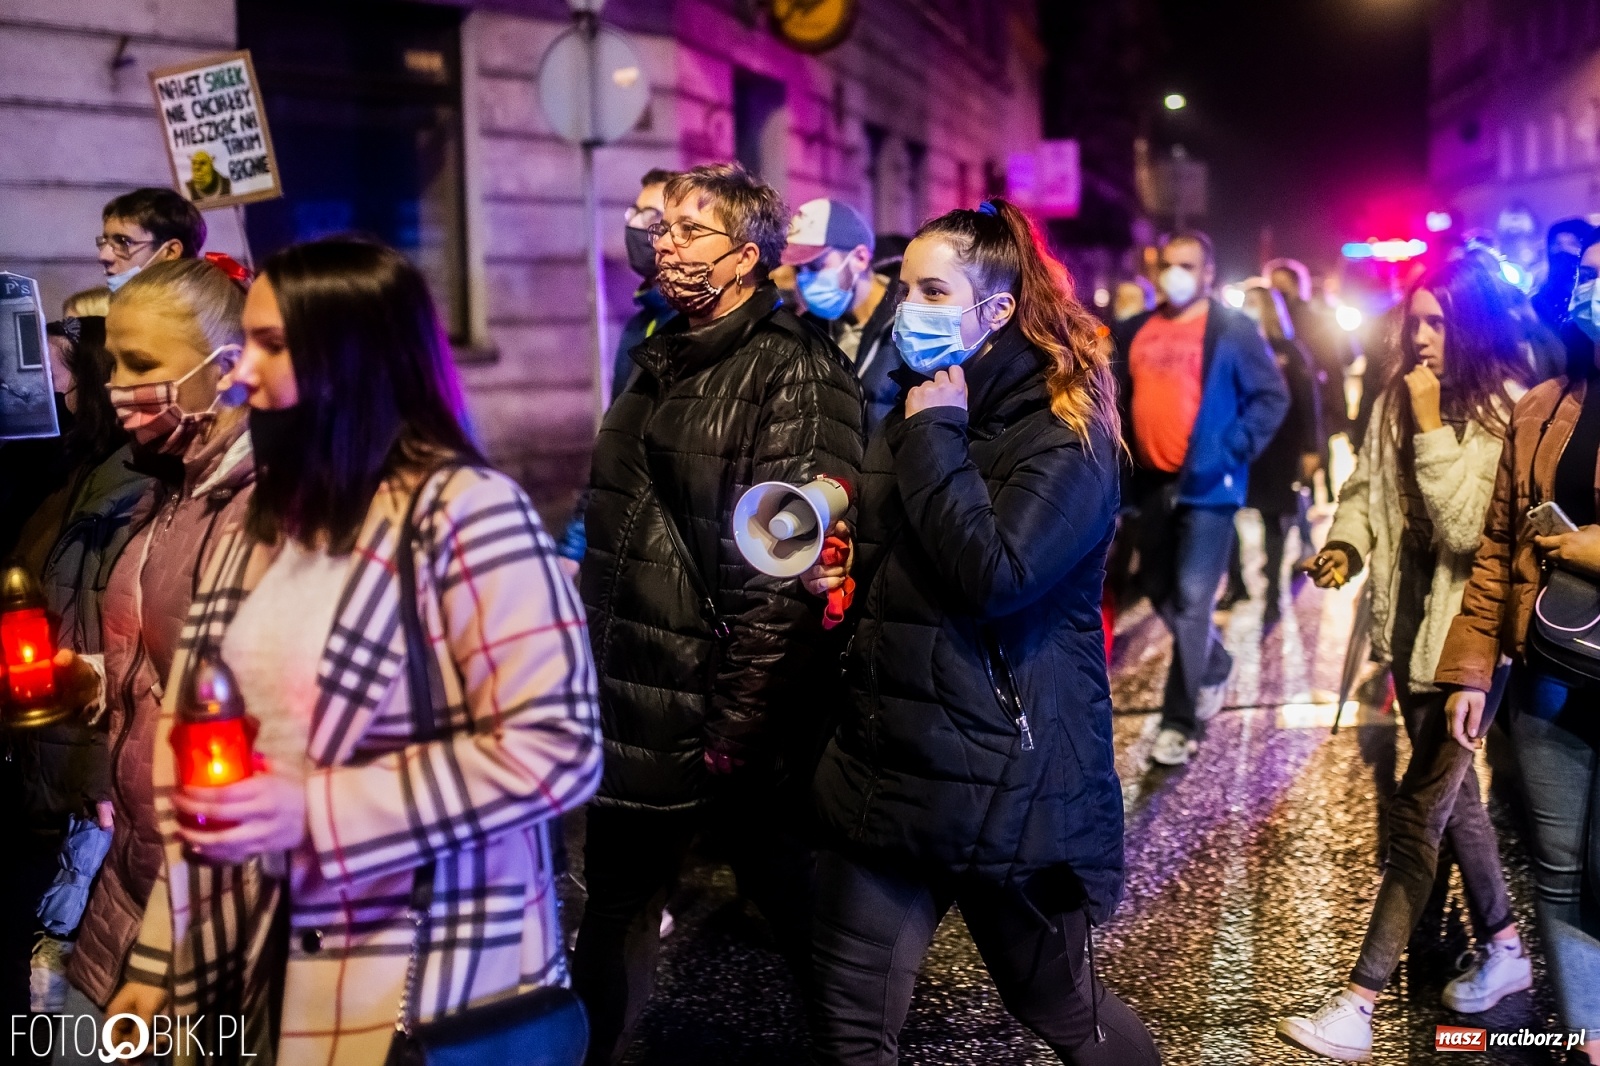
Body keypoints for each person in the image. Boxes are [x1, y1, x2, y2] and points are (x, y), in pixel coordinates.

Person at [103, 237, 602, 1062]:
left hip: (434, 991)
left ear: (351, 360)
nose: (240, 372)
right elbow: (207, 765)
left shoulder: (468, 513)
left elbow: (558, 749)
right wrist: (157, 967)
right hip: (270, 975)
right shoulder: (261, 523)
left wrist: (317, 811)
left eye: (270, 345)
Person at [801, 198, 1158, 1065]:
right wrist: (844, 574)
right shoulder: (921, 400)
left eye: (932, 290)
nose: (906, 308)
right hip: (892, 763)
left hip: (1009, 785)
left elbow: (996, 575)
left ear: (996, 311)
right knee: (849, 1027)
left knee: (1068, 1016)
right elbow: (908, 549)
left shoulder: (1064, 432)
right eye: (904, 287)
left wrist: (937, 437)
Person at [570, 163, 863, 1064]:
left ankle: (860, 1048)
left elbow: (777, 571)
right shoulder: (661, 351)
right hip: (634, 691)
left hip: (720, 707)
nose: (666, 244)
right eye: (665, 228)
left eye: (691, 231)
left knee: (791, 900)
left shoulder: (790, 371)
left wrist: (736, 723)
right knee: (614, 903)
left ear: (746, 258)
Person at [1277, 259, 1537, 1062]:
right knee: (1452, 802)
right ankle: (1503, 946)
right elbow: (1364, 491)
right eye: (1415, 321)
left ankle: (1360, 1000)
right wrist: (1344, 546)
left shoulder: (1507, 412)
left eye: (1440, 323)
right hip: (1407, 627)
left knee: (1418, 816)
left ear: (1475, 330)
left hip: (1470, 644)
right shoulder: (1397, 396)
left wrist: (1429, 424)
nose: (1423, 337)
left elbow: (1467, 528)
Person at [20, 258, 254, 1060]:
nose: (118, 386)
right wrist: (80, 678)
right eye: (113, 361)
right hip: (134, 869)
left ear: (223, 369)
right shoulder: (174, 489)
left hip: (213, 899)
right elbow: (149, 664)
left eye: (144, 365)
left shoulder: (264, 508)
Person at [1432, 233, 1600, 1066]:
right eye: (1590, 276)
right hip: (1550, 672)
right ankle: (1585, 1037)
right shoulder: (1540, 404)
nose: (1593, 291)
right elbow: (1497, 548)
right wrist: (1471, 667)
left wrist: (1587, 549)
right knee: (1558, 867)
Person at [1114, 231, 1288, 767]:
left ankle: (1179, 721)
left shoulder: (1232, 330)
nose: (1175, 274)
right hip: (1152, 484)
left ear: (1208, 272)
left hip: (1210, 487)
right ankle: (1212, 664)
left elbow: (1271, 397)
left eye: (1186, 264)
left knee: (1192, 600)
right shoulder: (1136, 330)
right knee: (1152, 585)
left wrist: (1230, 448)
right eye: (1167, 264)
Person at [558, 168, 682, 577]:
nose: (634, 225)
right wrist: (576, 543)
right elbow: (616, 442)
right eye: (633, 212)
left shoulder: (691, 329)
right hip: (630, 546)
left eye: (650, 216)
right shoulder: (638, 325)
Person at [1219, 283, 1321, 628]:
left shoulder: (1289, 350)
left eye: (1254, 303)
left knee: (1273, 520)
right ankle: (1237, 582)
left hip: (1279, 447)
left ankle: (1273, 595)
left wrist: (1312, 446)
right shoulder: (1232, 347)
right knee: (1224, 512)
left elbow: (1308, 401)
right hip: (1242, 444)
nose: (1248, 309)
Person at [785, 197, 902, 431]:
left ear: (859, 258)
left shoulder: (907, 324)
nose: (804, 278)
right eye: (799, 268)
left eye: (816, 265)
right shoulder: (809, 328)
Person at [1267, 258, 1353, 503]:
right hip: (1287, 402)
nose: (1278, 292)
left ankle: (1322, 494)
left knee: (1317, 446)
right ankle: (1310, 498)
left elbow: (1333, 363)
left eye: (1282, 285)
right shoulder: (1270, 322)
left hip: (1316, 396)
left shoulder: (1311, 317)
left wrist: (1340, 406)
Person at [96, 187, 207, 294]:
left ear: (170, 252)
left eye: (123, 242)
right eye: (105, 241)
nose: (103, 256)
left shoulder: (197, 310)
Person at [1529, 217, 1595, 334]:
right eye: (1557, 244)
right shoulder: (1539, 304)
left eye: (1573, 243)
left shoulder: (1594, 298)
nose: (1563, 250)